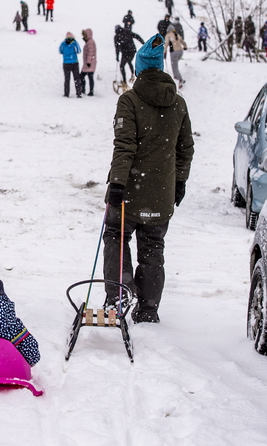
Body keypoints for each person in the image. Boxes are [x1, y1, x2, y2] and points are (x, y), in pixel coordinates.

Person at [103, 34, 194, 323]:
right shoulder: (178, 103)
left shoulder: (129, 100)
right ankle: (148, 309)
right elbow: (185, 148)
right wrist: (179, 182)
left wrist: (117, 183)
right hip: (161, 193)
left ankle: (118, 296)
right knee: (153, 247)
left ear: (139, 69)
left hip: (129, 190)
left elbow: (125, 145)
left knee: (116, 237)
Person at [60, 32, 82, 98]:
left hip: (66, 63)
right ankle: (78, 93)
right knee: (76, 78)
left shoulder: (63, 43)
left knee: (67, 79)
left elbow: (60, 51)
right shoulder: (74, 43)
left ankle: (66, 93)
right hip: (74, 63)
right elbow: (79, 51)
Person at [165, 23, 186, 88]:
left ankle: (180, 79)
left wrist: (164, 53)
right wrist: (185, 47)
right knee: (175, 64)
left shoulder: (168, 35)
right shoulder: (177, 34)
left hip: (174, 52)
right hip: (181, 52)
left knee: (174, 66)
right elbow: (183, 42)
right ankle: (176, 77)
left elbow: (166, 44)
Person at [81, 28, 96, 96]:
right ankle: (88, 90)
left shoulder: (90, 42)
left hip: (89, 63)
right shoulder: (89, 42)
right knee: (87, 77)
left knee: (84, 76)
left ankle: (87, 90)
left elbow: (91, 52)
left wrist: (88, 62)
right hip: (88, 63)